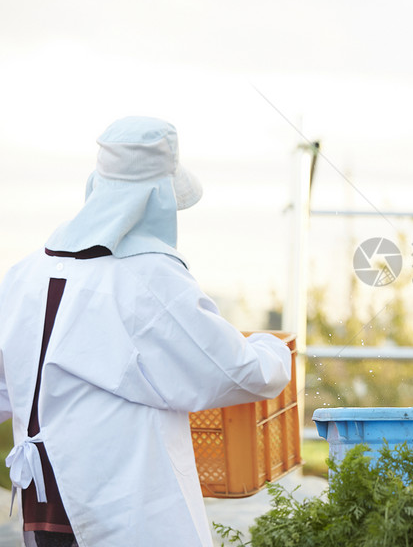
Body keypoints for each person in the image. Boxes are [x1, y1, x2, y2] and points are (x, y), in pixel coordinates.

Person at [0, 117, 293, 546]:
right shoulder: (149, 277)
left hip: (43, 505)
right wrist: (272, 348)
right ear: (160, 198)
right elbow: (236, 371)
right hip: (119, 509)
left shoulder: (24, 274)